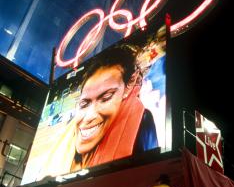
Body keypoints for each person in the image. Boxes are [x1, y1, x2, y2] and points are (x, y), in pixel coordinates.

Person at [36, 44, 158, 179]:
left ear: (128, 88)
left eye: (105, 98)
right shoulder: (62, 145)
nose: (89, 116)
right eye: (84, 104)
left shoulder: (142, 122)